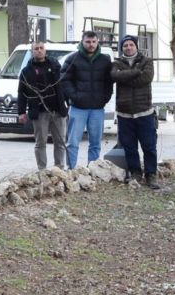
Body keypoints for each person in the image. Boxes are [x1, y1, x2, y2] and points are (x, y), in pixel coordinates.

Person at [111, 35, 162, 189]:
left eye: (131, 44)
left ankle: (151, 175)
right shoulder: (116, 63)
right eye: (125, 45)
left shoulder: (147, 62)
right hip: (124, 113)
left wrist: (125, 77)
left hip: (144, 112)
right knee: (130, 147)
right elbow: (115, 76)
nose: (128, 47)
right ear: (122, 48)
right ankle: (135, 173)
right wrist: (135, 72)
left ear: (136, 46)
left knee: (149, 146)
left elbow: (145, 79)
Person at [61, 31, 113, 169]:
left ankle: (93, 170)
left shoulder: (105, 60)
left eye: (94, 42)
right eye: (88, 42)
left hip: (97, 108)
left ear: (97, 42)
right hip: (78, 108)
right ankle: (71, 170)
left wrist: (104, 98)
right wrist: (75, 96)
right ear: (82, 42)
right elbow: (64, 80)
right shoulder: (72, 58)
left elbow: (109, 82)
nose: (91, 45)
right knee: (73, 142)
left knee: (95, 143)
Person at [17, 41, 67, 170]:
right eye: (36, 48)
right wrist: (21, 112)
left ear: (45, 50)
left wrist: (68, 103)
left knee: (60, 142)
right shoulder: (26, 71)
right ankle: (42, 170)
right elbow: (21, 93)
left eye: (41, 48)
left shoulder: (55, 66)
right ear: (32, 52)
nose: (39, 50)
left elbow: (63, 86)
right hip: (39, 112)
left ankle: (59, 168)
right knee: (40, 143)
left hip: (57, 110)